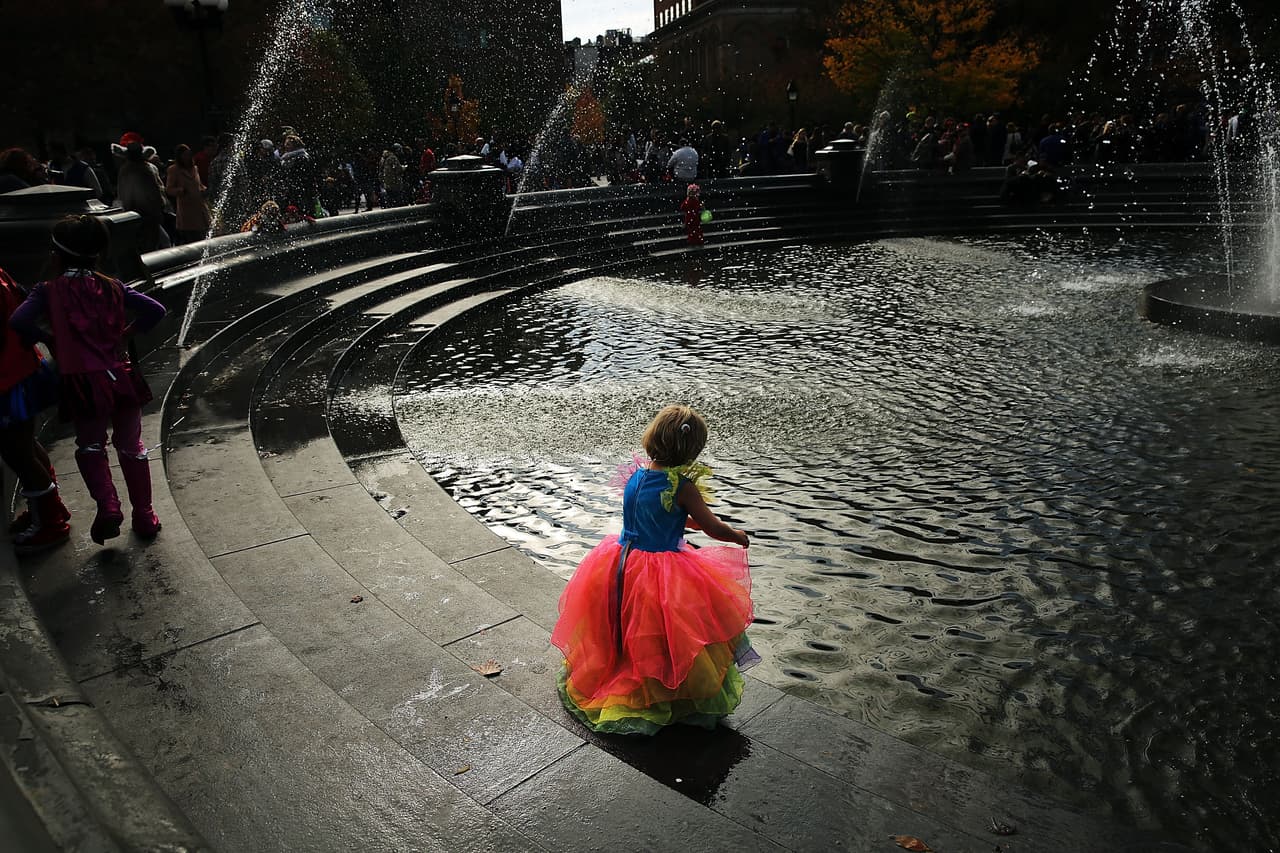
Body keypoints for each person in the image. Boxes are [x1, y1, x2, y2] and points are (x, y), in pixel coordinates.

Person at [551, 405, 756, 734]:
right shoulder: (682, 486)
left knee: (629, 626)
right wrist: (736, 535)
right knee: (669, 628)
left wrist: (684, 520)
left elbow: (655, 515)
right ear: (690, 451)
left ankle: (628, 673)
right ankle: (664, 692)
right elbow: (714, 528)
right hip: (661, 570)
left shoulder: (637, 475)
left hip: (623, 560)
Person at [10, 215, 167, 544]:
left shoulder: (49, 291)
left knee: (91, 446)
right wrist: (126, 335)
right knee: (132, 446)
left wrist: (50, 339)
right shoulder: (112, 286)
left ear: (57, 253)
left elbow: (19, 321)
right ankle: (145, 517)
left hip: (84, 383)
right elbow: (155, 309)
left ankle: (108, 505)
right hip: (121, 376)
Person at [0, 267, 66, 554]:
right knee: (24, 444)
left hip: (6, 377)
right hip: (23, 367)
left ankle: (50, 523)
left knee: (17, 452)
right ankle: (49, 507)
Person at [165, 144, 211, 243]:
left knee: (205, 234)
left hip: (200, 206)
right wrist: (181, 191)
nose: (187, 157)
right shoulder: (174, 170)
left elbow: (199, 184)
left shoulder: (194, 168)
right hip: (187, 209)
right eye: (184, 155)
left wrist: (204, 190)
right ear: (180, 156)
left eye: (188, 154)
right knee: (192, 237)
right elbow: (169, 189)